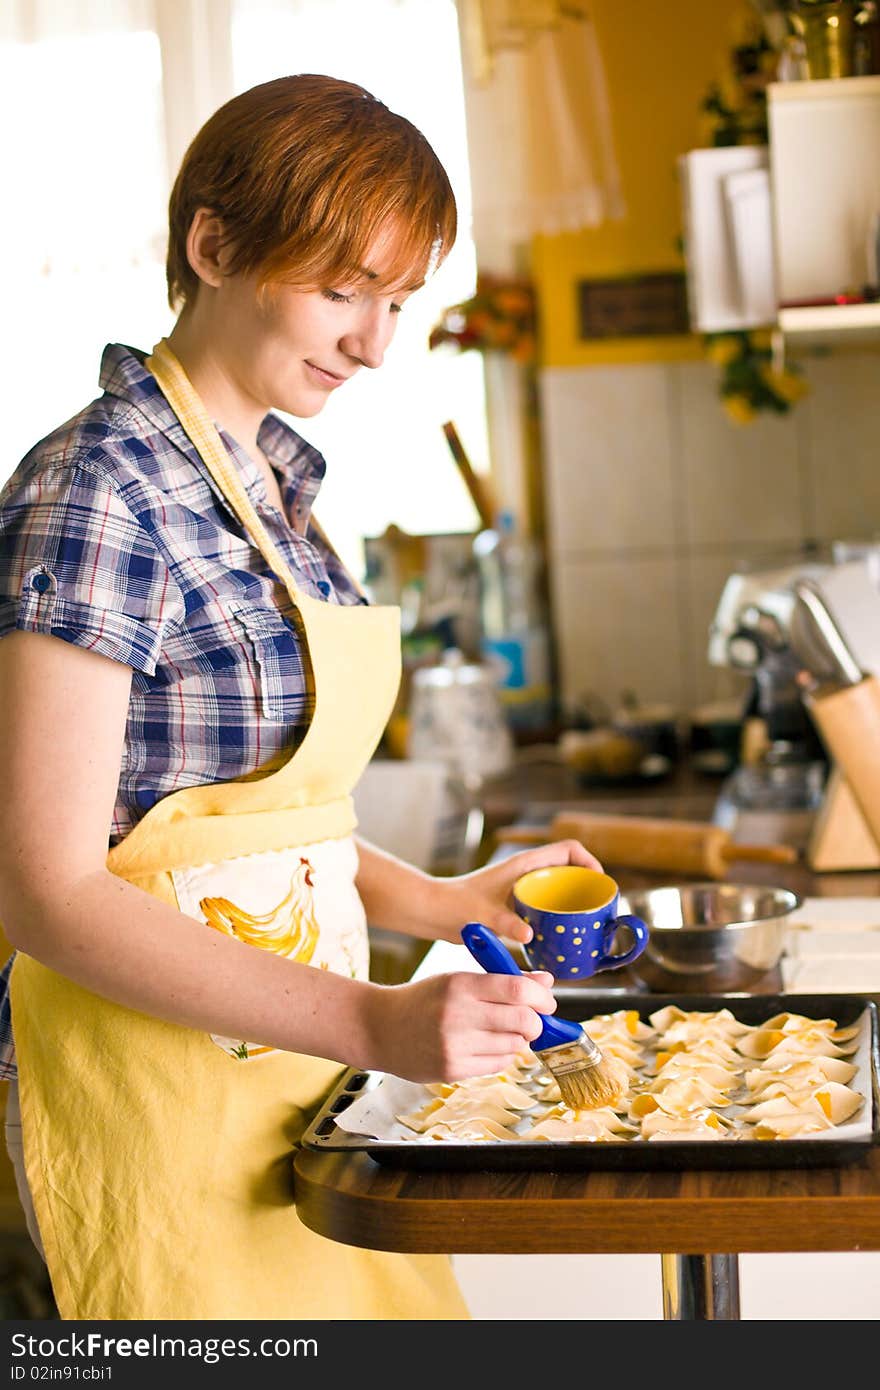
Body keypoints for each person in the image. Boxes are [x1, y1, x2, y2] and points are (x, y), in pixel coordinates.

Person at [0, 73, 599, 1321]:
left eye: (396, 299)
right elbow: (48, 889)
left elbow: (255, 818)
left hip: (283, 1075)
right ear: (211, 247)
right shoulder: (97, 490)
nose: (376, 342)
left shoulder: (270, 482)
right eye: (342, 290)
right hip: (140, 1098)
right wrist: (374, 1023)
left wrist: (438, 898)